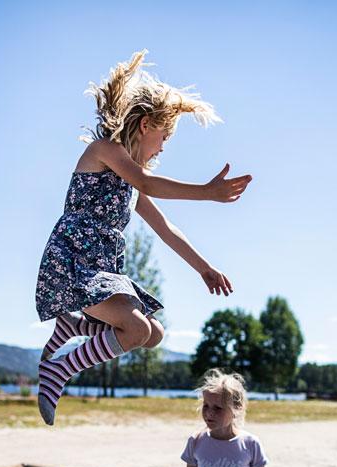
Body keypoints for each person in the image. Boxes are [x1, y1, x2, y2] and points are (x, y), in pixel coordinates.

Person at [34, 50, 252, 425]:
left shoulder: (131, 181)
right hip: (74, 260)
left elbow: (166, 229)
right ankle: (59, 370)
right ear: (147, 124)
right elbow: (148, 181)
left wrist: (205, 268)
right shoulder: (106, 151)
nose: (164, 146)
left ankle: (75, 327)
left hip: (103, 267)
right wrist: (207, 192)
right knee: (135, 329)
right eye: (164, 136)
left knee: (153, 335)